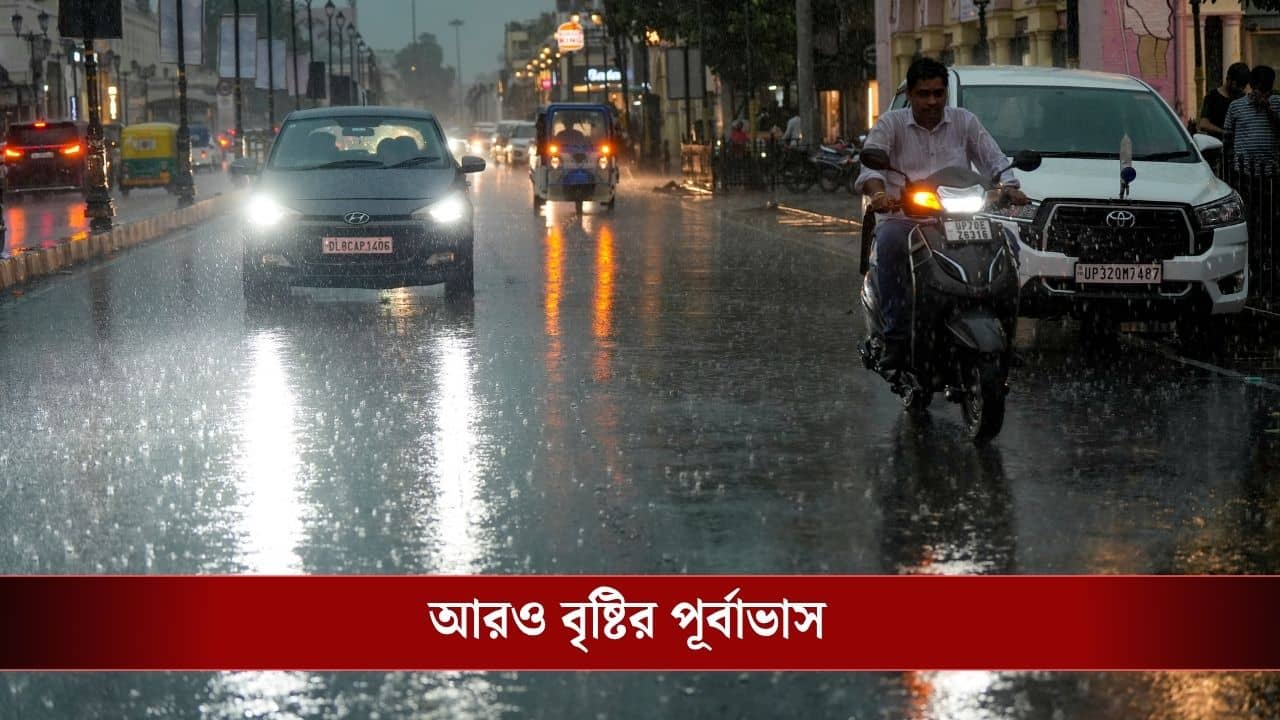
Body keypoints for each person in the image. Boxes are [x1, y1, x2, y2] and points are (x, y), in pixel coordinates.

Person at [854, 57, 1028, 371]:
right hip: (906, 220)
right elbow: (870, 171)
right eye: (924, 94)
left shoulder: (965, 121)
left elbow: (995, 160)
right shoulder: (891, 124)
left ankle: (1006, 334)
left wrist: (1009, 186)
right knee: (890, 242)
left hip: (960, 219)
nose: (932, 101)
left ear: (946, 93)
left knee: (1007, 245)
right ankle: (896, 337)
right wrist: (879, 194)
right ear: (910, 94)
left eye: (938, 93)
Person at [1199, 62, 1251, 139]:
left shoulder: (1243, 97)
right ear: (1229, 79)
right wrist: (1225, 133)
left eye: (1243, 87)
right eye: (1237, 85)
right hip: (1217, 143)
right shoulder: (1212, 96)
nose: (1240, 89)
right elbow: (1203, 124)